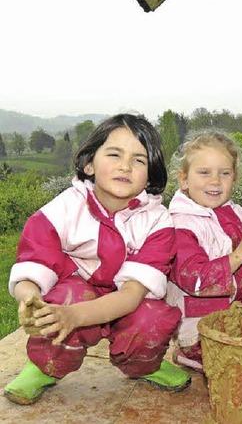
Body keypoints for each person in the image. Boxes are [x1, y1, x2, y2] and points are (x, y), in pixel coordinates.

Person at [3, 114, 190, 405]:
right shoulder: (65, 207)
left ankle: (144, 366)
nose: (125, 166)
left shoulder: (159, 222)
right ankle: (45, 366)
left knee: (152, 318)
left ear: (151, 175)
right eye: (114, 154)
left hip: (127, 302)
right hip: (77, 291)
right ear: (90, 163)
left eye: (139, 160)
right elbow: (35, 261)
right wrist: (30, 299)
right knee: (64, 301)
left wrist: (75, 317)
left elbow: (130, 296)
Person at [166, 131, 242, 371]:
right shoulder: (180, 224)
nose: (215, 181)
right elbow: (193, 279)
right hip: (197, 316)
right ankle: (188, 354)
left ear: (234, 178)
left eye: (224, 173)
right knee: (227, 363)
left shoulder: (238, 215)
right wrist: (238, 256)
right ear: (184, 179)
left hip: (239, 308)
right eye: (204, 172)